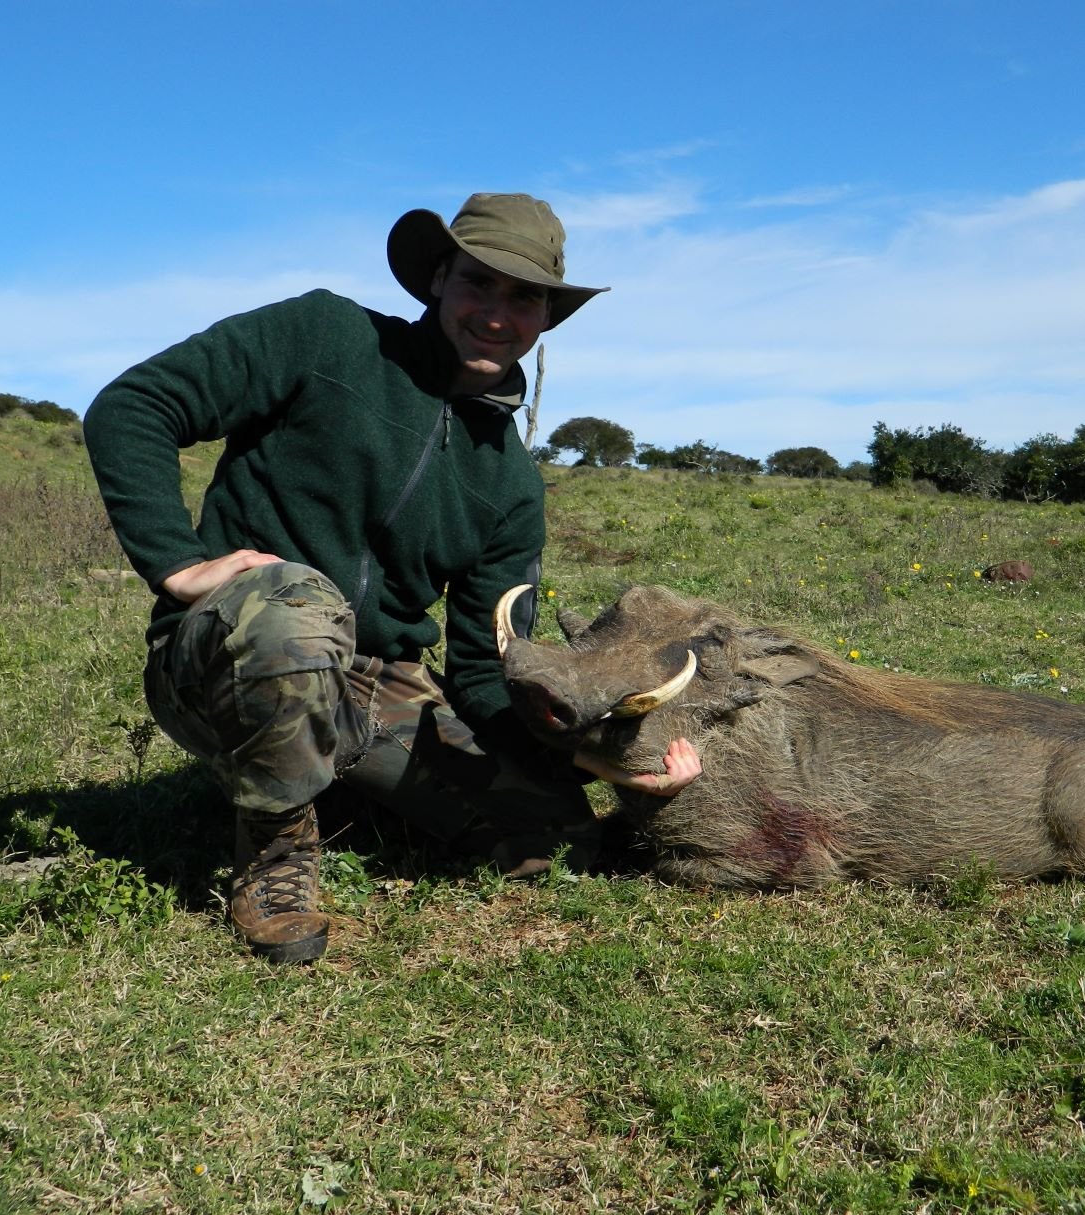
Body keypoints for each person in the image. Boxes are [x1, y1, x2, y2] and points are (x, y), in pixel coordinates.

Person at [84, 193, 699, 965]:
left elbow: (481, 670)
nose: (498, 315)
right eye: (479, 282)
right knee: (296, 604)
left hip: (371, 682)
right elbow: (136, 405)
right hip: (226, 654)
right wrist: (177, 564)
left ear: (546, 315)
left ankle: (342, 792)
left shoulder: (511, 484)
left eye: (525, 297)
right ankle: (276, 854)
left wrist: (603, 759)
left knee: (559, 836)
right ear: (438, 278)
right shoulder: (324, 336)